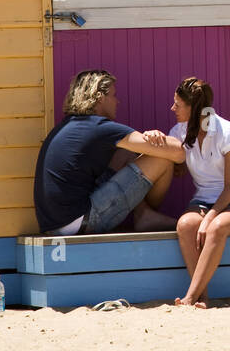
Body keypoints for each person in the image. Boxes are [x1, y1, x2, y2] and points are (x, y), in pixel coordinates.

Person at [33, 69, 183, 236]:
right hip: (79, 222)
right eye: (113, 95)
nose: (117, 101)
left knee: (124, 154)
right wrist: (157, 139)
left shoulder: (69, 126)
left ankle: (144, 213)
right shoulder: (99, 127)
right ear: (100, 98)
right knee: (162, 159)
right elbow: (178, 152)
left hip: (55, 224)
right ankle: (146, 216)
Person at [157, 76, 230, 307]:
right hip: (203, 199)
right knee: (185, 225)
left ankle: (191, 296)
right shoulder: (179, 131)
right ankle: (203, 296)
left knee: (216, 228)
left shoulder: (226, 131)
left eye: (178, 104)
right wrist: (157, 140)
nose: (172, 108)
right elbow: (176, 166)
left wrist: (210, 217)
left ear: (194, 109)